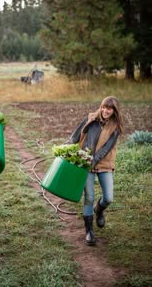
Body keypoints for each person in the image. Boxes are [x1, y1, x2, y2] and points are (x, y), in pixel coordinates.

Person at [67, 96, 123, 246]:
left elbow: (106, 149)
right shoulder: (91, 118)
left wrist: (94, 160)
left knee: (109, 198)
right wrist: (66, 148)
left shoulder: (115, 126)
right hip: (86, 162)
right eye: (104, 107)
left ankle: (98, 210)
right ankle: (89, 232)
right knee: (89, 197)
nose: (105, 110)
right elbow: (75, 135)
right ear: (101, 107)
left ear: (114, 111)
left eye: (109, 108)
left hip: (104, 163)